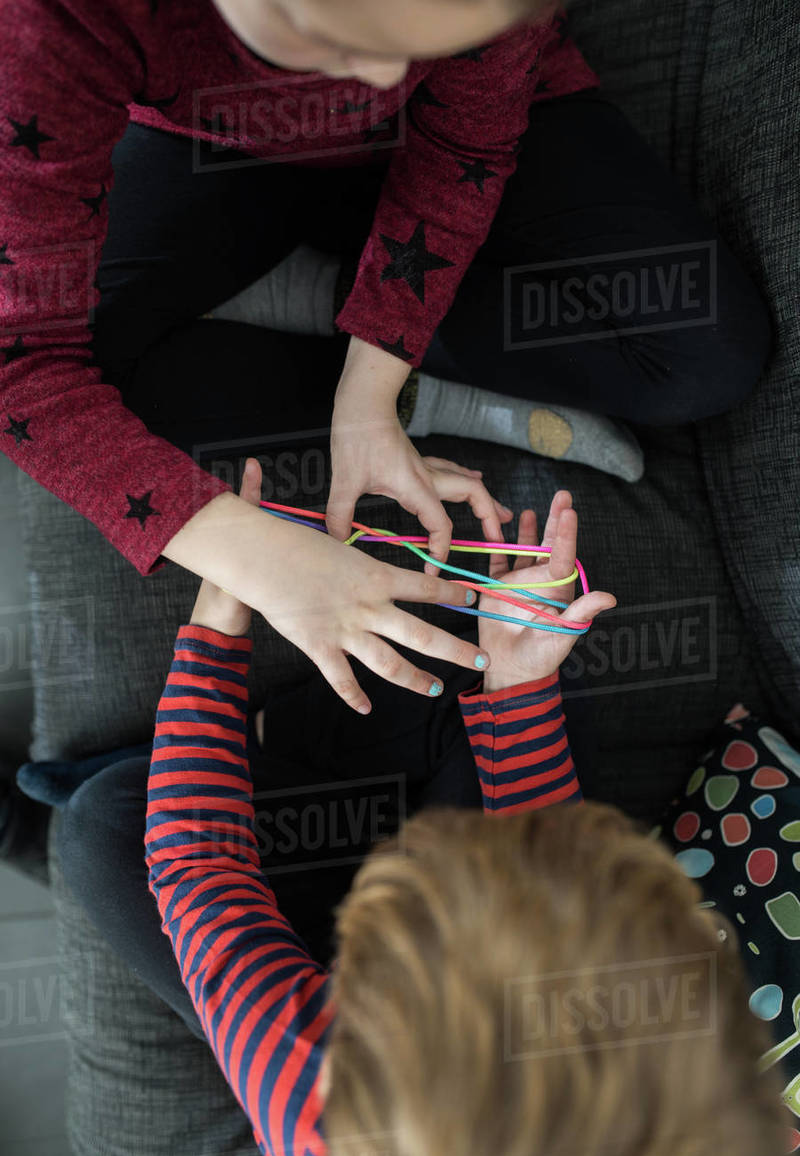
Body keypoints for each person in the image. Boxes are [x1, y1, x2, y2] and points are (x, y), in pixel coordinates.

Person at [0, 0, 772, 716]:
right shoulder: (46, 26)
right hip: (215, 150)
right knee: (106, 396)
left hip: (467, 141)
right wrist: (250, 552)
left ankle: (345, 318)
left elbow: (466, 143)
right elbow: (21, 365)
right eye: (336, 41)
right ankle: (401, 364)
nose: (377, 81)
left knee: (706, 356)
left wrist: (370, 392)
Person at [56, 462, 796, 1156]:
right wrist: (518, 686)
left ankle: (194, 773)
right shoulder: (648, 1065)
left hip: (327, 1014)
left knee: (101, 823)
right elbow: (554, 872)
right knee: (498, 650)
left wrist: (221, 613)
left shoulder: (316, 1106)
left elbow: (199, 872)